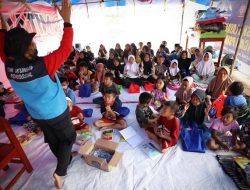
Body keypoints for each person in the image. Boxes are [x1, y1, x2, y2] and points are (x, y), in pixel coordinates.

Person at [0, 1, 75, 188]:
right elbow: (66, 48)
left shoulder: (8, 65)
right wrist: (67, 20)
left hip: (37, 113)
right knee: (68, 138)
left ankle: (63, 159)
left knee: (51, 138)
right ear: (28, 47)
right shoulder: (44, 65)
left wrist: (3, 21)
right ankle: (60, 172)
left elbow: (3, 40)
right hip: (56, 111)